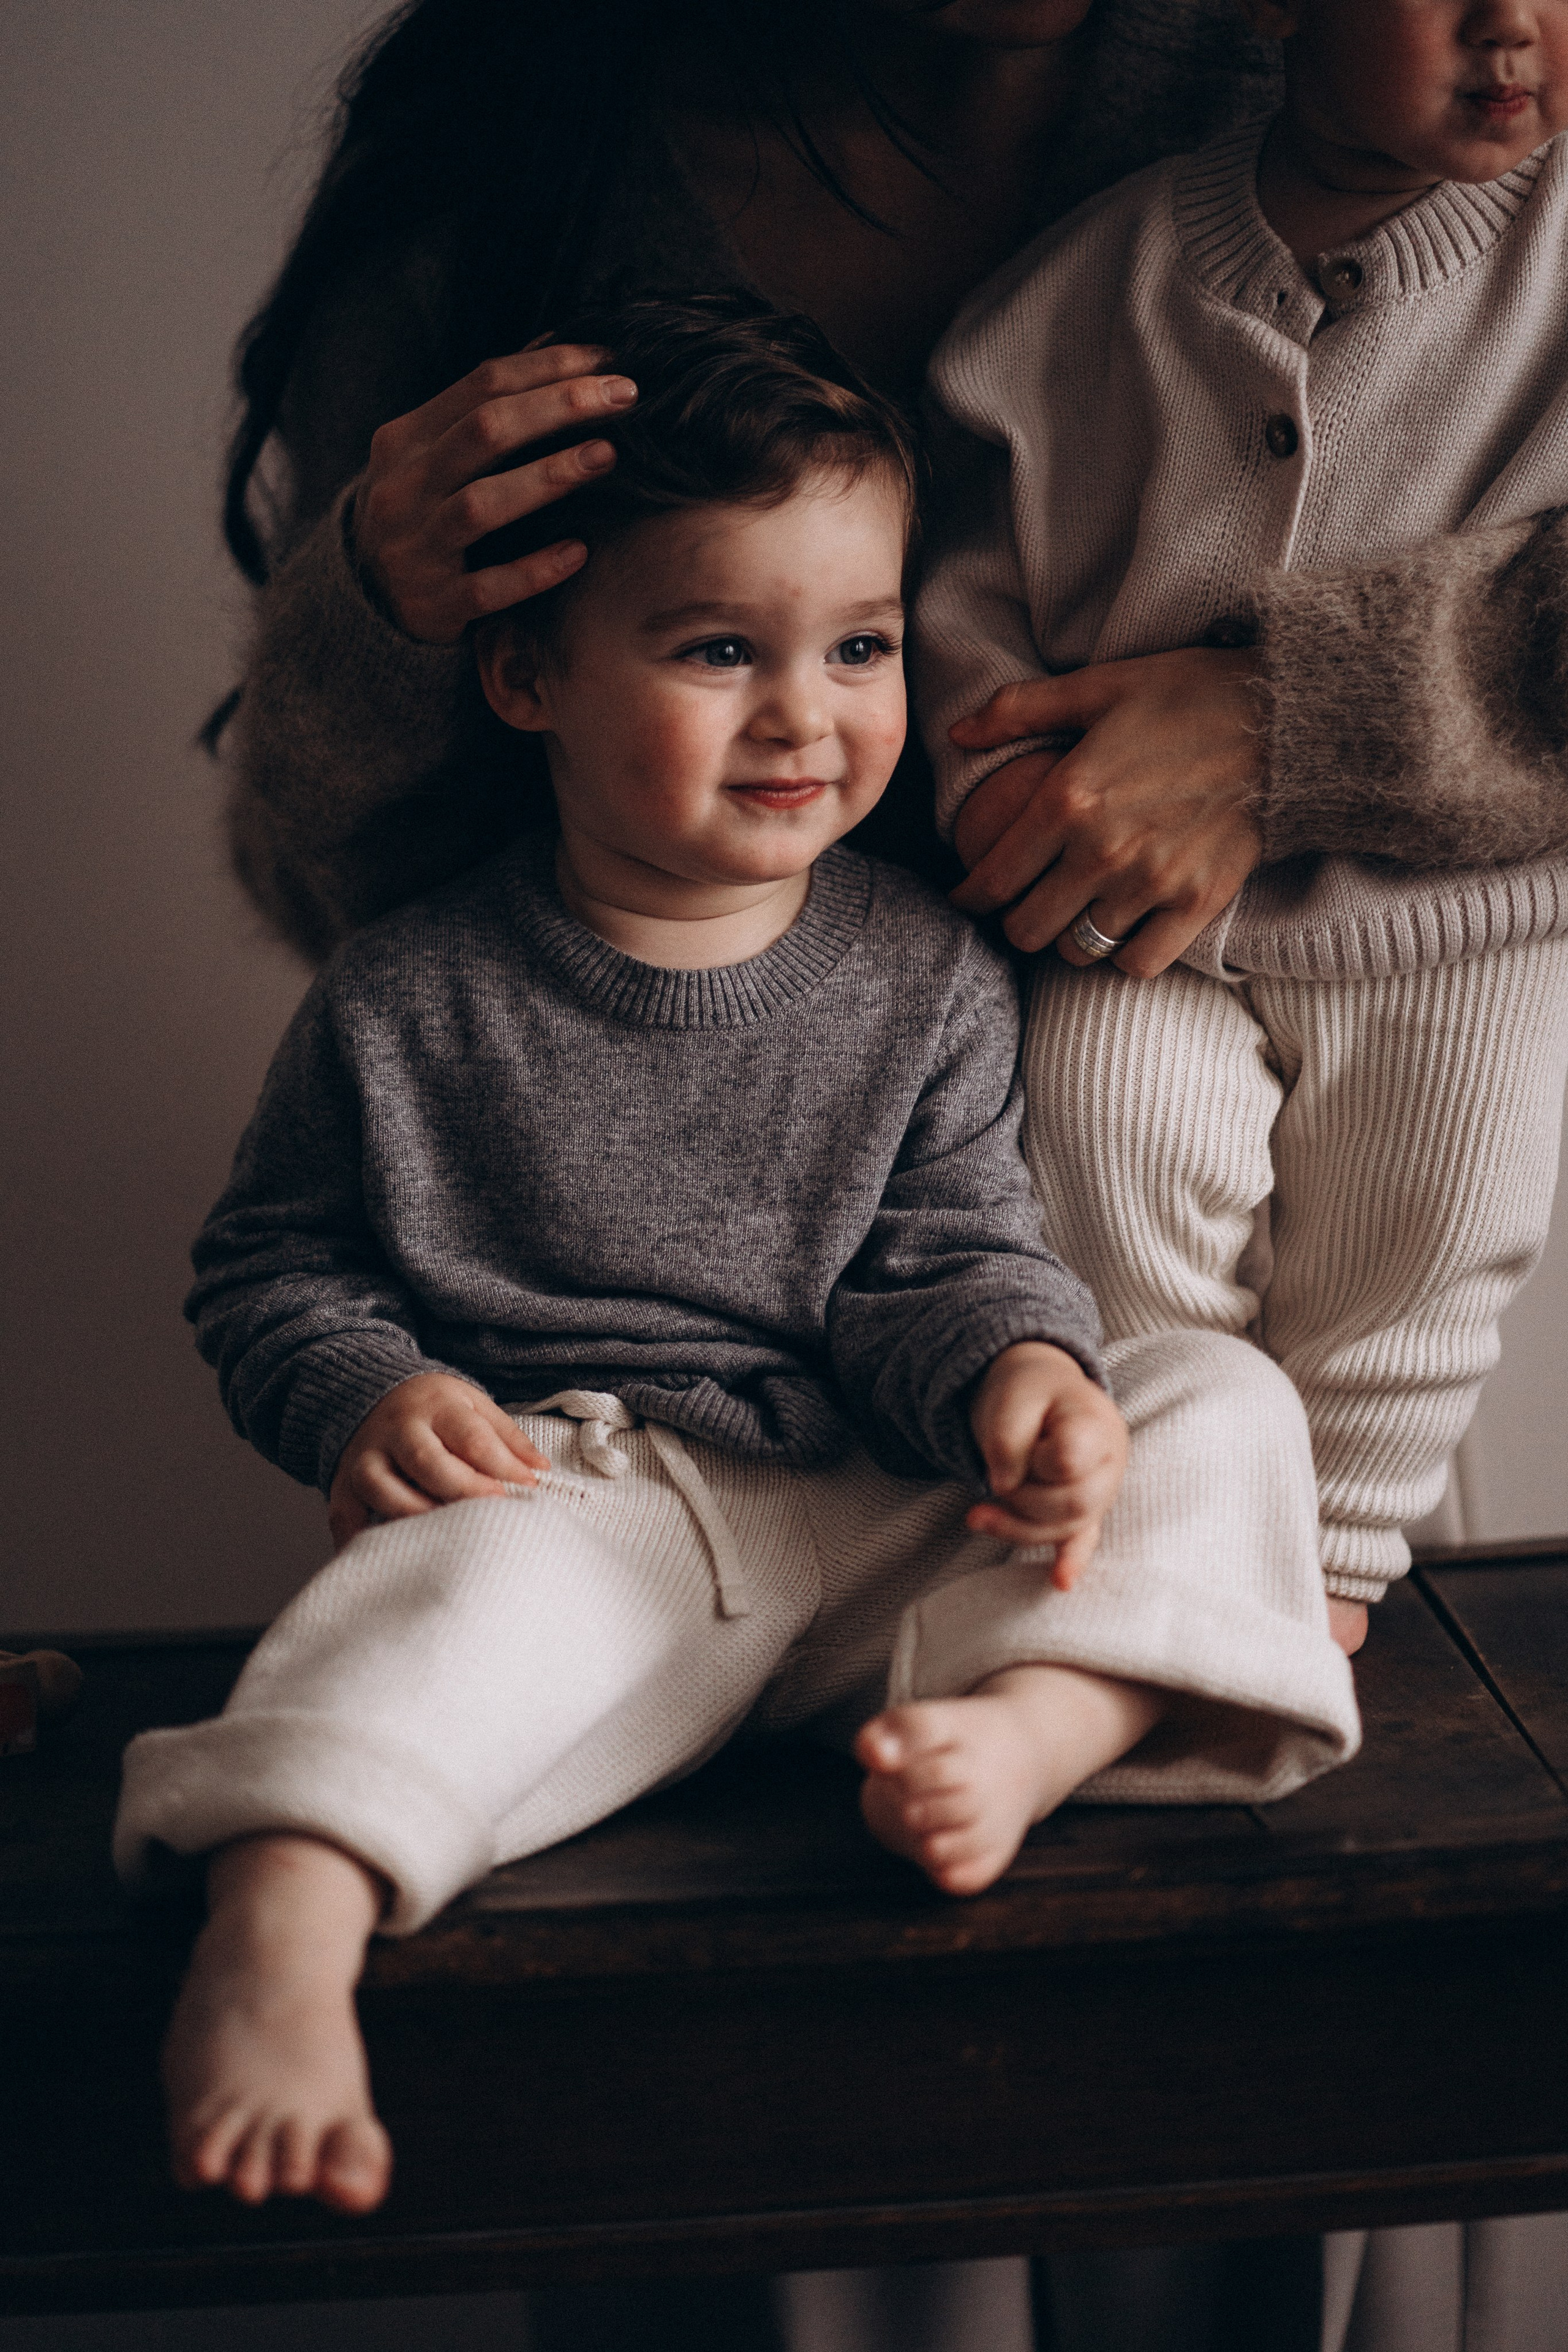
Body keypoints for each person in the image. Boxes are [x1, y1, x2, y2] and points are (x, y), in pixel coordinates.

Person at [116, 301, 1356, 2219]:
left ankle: (1030, 1727)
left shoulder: (924, 972)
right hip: (587, 1498)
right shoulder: (411, 995)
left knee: (1206, 1393)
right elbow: (273, 1269)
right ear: (528, 675)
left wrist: (1019, 1372)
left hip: (875, 1514)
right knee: (428, 1617)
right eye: (719, 649)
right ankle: (281, 1922)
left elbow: (944, 1255)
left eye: (860, 647)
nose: (809, 712)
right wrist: (373, 1392)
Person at [220, 0, 1568, 979]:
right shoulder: (511, 159)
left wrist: (1297, 722)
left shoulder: (1351, 59)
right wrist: (374, 621)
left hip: (1283, 1105)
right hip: (651, 1212)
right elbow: (335, 893)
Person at [915, 0, 1568, 1656]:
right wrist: (985, 767)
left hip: (1465, 903)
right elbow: (968, 595)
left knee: (1435, 1213)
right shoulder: (1083, 289)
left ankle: (1332, 1563)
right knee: (1095, 1140)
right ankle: (1153, 1524)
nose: (1514, 31)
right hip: (1141, 926)